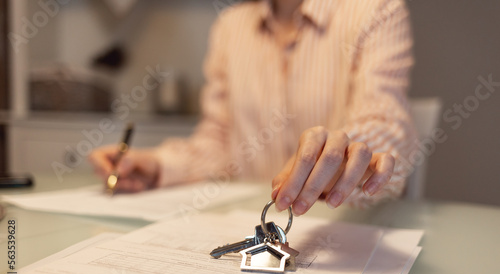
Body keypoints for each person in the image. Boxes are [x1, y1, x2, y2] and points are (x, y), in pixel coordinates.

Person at [89, 0, 417, 216]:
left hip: (344, 229)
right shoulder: (230, 26)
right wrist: (158, 165)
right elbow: (218, 142)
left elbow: (383, 119)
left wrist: (345, 155)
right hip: (247, 220)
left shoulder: (377, 10)